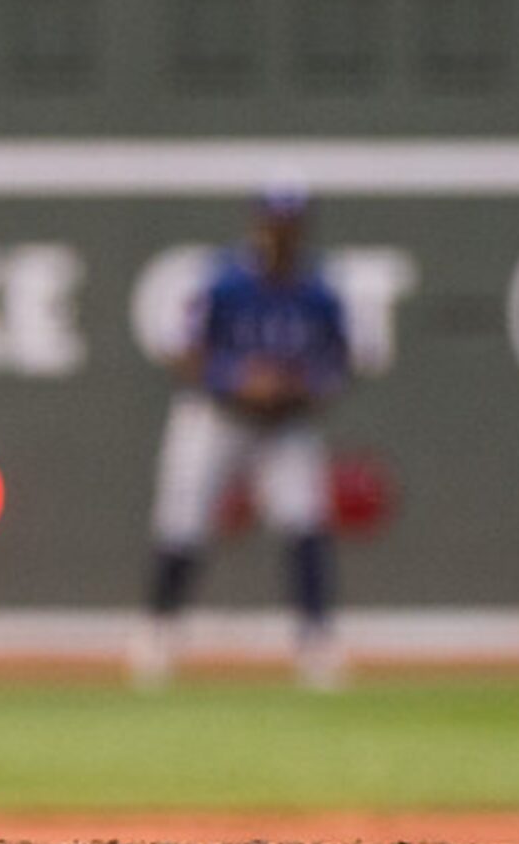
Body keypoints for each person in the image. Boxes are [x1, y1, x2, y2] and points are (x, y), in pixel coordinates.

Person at [127, 184, 355, 692]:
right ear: (258, 222)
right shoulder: (225, 282)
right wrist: (237, 379)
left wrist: (295, 386)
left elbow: (340, 363)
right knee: (182, 520)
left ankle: (316, 641)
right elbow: (185, 352)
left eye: (290, 221)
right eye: (274, 220)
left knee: (305, 520)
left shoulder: (318, 291)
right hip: (216, 416)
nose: (281, 230)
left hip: (285, 423)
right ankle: (159, 634)